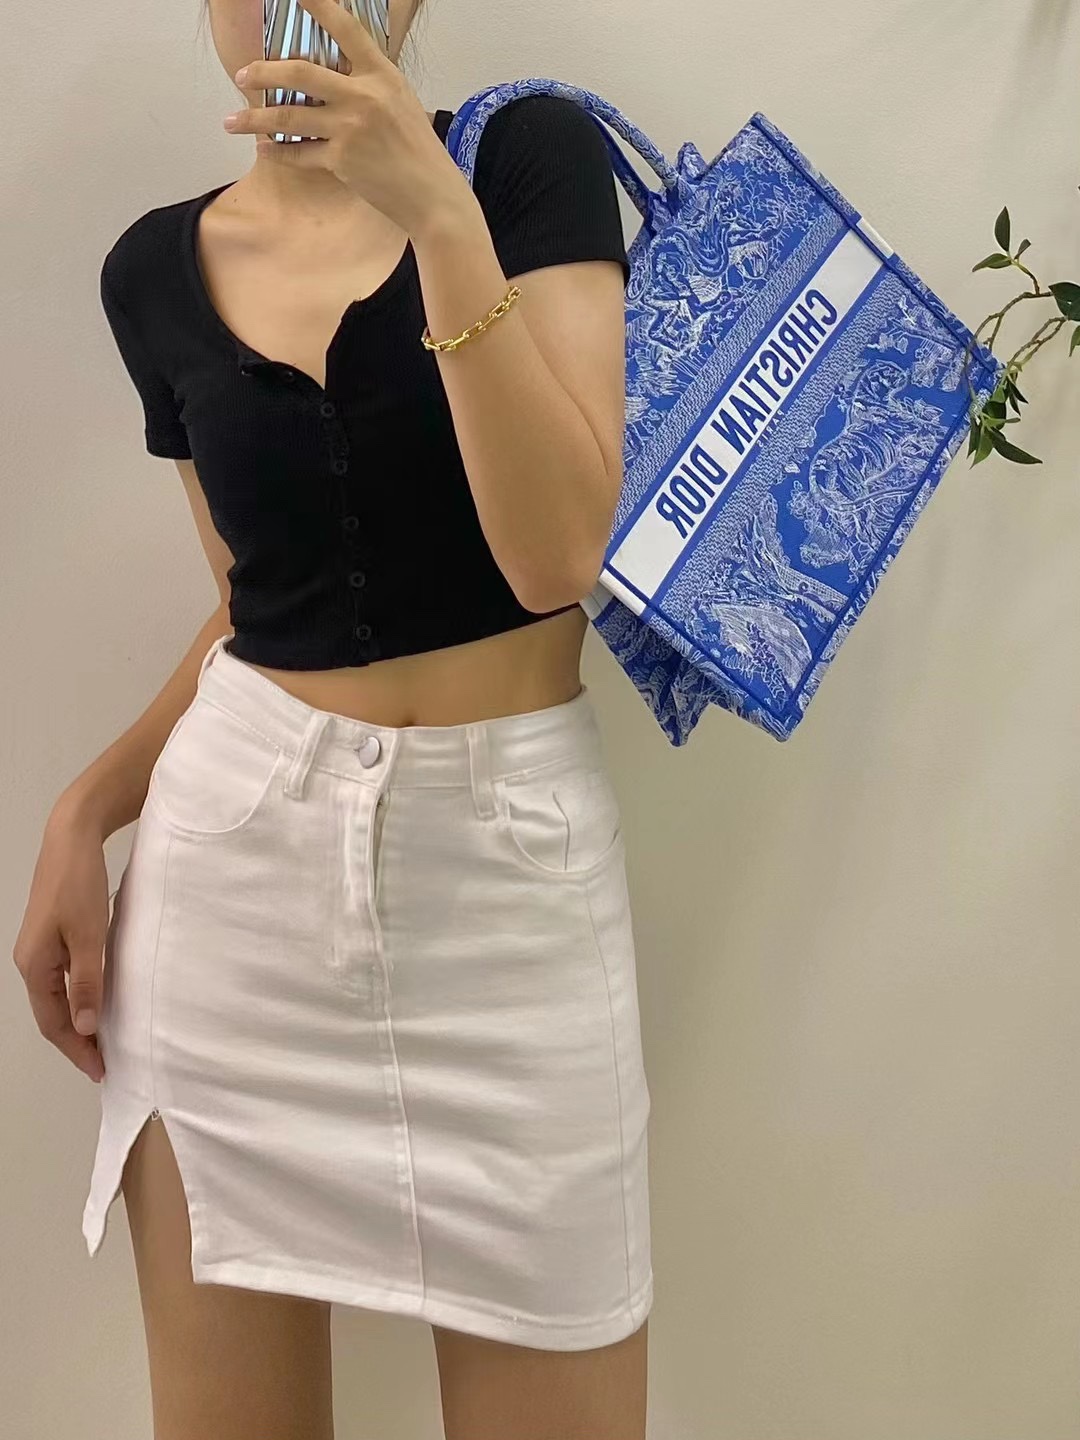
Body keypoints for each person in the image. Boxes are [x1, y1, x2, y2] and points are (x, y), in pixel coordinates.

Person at [13, 1, 652, 1435]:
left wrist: (436, 212)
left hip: (510, 905)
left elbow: (558, 557)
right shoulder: (152, 274)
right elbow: (254, 606)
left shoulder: (525, 165)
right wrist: (85, 811)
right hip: (234, 898)